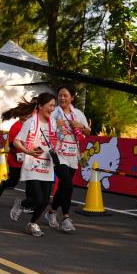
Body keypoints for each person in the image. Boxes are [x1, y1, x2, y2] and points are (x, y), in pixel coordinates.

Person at [10, 92, 58, 237]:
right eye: (50, 105)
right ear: (40, 106)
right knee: (37, 198)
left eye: (53, 106)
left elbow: (53, 142)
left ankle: (32, 223)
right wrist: (28, 151)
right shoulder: (30, 122)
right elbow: (16, 141)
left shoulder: (53, 123)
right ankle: (22, 205)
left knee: (45, 200)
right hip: (32, 165)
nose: (52, 108)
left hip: (47, 166)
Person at [45, 85, 90, 233]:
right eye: (60, 95)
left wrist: (81, 126)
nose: (62, 98)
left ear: (72, 98)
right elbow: (45, 128)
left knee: (64, 186)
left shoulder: (77, 114)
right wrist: (55, 124)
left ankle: (51, 213)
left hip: (73, 155)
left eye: (65, 95)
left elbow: (88, 132)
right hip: (58, 153)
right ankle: (66, 218)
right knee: (68, 185)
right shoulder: (54, 113)